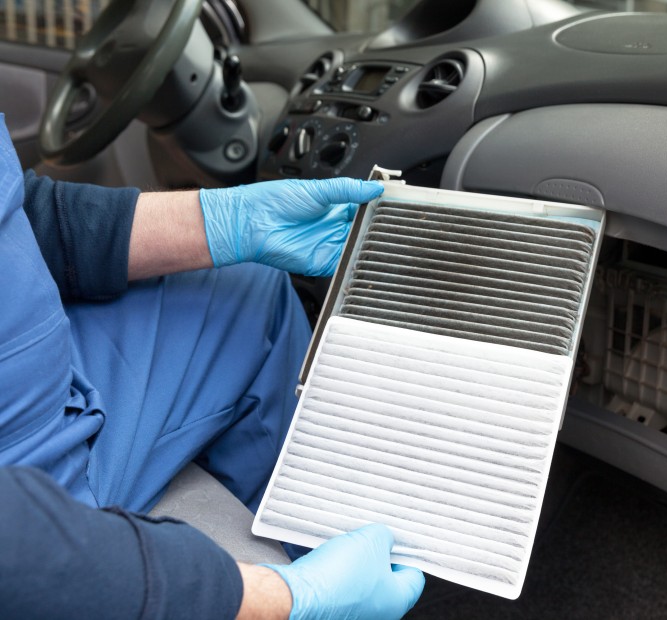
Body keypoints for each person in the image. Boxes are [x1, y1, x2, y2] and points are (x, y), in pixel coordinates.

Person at [0, 113, 425, 619]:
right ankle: (330, 582)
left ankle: (306, 534)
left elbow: (18, 214)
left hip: (39, 367)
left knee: (249, 291)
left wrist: (225, 221)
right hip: (29, 477)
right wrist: (285, 599)